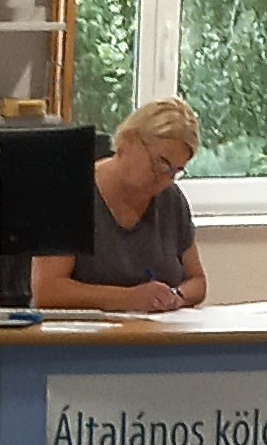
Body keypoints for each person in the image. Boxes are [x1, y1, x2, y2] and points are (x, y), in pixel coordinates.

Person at [30, 95, 209, 315]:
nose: (164, 179)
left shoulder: (171, 199)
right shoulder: (69, 192)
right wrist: (130, 298)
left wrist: (176, 296)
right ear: (129, 140)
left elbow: (197, 281)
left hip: (154, 332)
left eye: (175, 171)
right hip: (82, 334)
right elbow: (48, 290)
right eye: (160, 163)